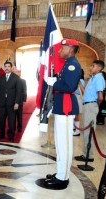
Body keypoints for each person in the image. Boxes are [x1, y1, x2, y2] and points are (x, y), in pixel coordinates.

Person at [44, 39, 81, 190]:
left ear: (71, 49)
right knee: (60, 144)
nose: (59, 51)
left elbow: (69, 86)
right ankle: (60, 172)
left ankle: (63, 178)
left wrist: (54, 82)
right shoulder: (68, 63)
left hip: (66, 107)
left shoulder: (73, 65)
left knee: (65, 144)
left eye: (62, 48)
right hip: (61, 105)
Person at [74, 60, 105, 163]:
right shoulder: (92, 78)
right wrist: (79, 82)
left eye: (93, 66)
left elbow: (100, 97)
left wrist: (95, 105)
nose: (90, 68)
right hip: (87, 105)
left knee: (89, 132)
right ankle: (85, 154)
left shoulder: (99, 78)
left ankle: (89, 156)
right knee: (85, 132)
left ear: (99, 68)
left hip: (91, 106)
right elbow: (84, 92)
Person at [0, 60, 21, 141]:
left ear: (11, 68)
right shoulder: (0, 77)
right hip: (1, 103)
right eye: (5, 66)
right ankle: (1, 134)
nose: (7, 68)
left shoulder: (16, 78)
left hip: (12, 103)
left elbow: (18, 91)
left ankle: (11, 136)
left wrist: (16, 102)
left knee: (11, 121)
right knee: (1, 120)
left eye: (8, 66)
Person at [73, 69, 85, 136]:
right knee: (74, 114)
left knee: (76, 114)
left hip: (77, 97)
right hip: (75, 97)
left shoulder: (81, 81)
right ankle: (74, 128)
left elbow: (80, 90)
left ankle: (77, 131)